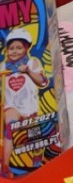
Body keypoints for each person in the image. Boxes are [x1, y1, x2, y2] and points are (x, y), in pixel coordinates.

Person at [2, 29, 48, 172]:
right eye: (11, 48)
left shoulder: (32, 63)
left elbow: (42, 81)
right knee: (9, 126)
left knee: (36, 138)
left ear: (26, 48)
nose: (14, 51)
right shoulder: (3, 67)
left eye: (19, 48)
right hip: (12, 107)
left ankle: (37, 163)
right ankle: (5, 166)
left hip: (30, 110)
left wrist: (27, 71)